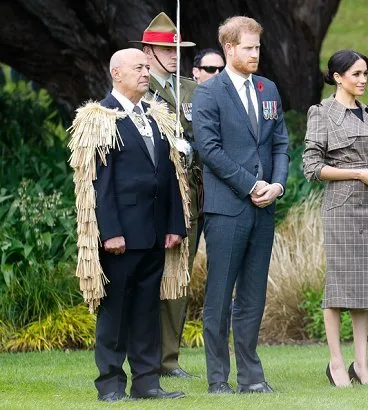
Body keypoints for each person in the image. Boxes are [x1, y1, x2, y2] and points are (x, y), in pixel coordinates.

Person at [68, 48, 188, 401]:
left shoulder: (154, 115)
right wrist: (111, 231)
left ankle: (147, 383)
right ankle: (110, 384)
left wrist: (174, 224)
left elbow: (168, 174)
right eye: (139, 67)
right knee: (116, 310)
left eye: (147, 67)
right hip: (122, 233)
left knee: (148, 310)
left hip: (154, 232)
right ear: (116, 73)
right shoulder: (102, 117)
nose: (145, 73)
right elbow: (98, 182)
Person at [192, 16, 289, 394]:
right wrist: (251, 185)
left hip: (264, 208)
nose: (255, 54)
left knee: (253, 296)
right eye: (248, 47)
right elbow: (209, 150)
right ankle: (218, 378)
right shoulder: (209, 92)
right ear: (229, 48)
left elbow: (280, 142)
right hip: (227, 208)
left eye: (258, 47)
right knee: (219, 296)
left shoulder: (268, 89)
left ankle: (251, 377)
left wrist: (277, 185)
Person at [303, 50, 368, 387]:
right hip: (342, 210)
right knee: (339, 289)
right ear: (338, 77)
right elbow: (312, 167)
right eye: (356, 74)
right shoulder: (322, 113)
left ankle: (361, 363)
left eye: (365, 73)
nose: (363, 79)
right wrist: (358, 174)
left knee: (364, 288)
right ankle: (336, 362)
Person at [131, 12, 201, 379]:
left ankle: (168, 360)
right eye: (165, 48)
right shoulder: (139, 90)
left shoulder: (190, 89)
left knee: (178, 278)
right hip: (153, 197)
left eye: (177, 48)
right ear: (147, 51)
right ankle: (144, 356)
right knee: (148, 277)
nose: (174, 54)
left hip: (191, 195)